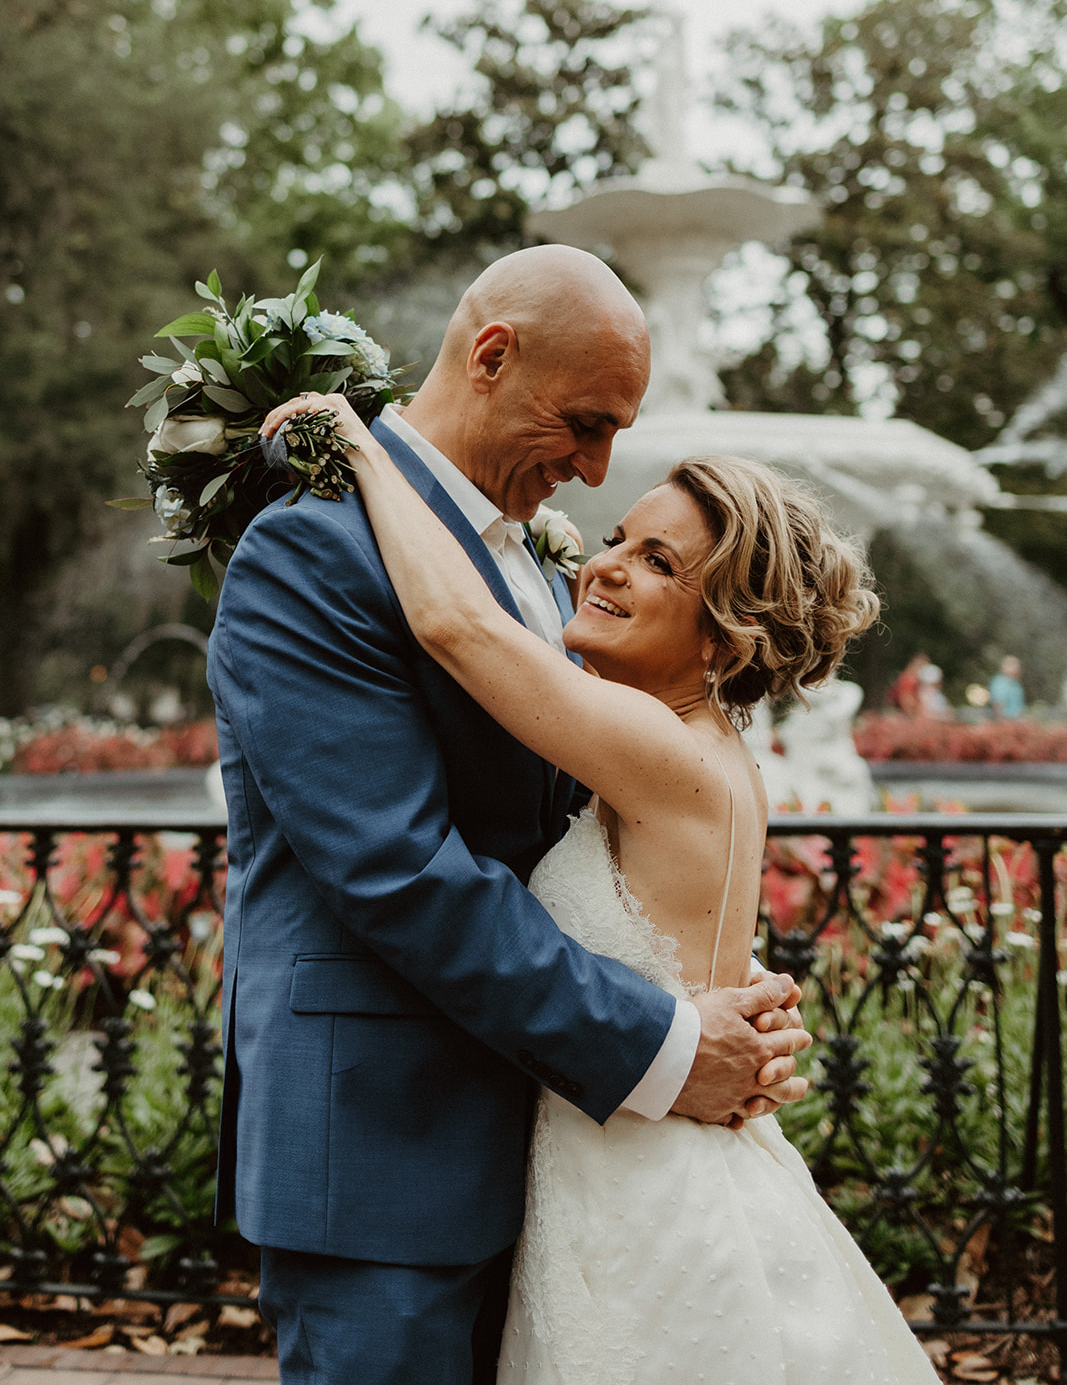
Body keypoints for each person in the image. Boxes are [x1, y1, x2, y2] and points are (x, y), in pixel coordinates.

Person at [208, 245, 810, 1385]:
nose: (591, 472)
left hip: (548, 1148)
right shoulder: (312, 552)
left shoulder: (533, 568)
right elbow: (400, 873)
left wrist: (708, 991)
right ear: (491, 356)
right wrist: (668, 1041)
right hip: (388, 1152)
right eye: (583, 423)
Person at [268, 387, 938, 1384]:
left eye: (657, 563)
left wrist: (364, 451)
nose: (603, 565)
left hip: (641, 1198)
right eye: (619, 537)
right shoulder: (701, 751)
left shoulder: (656, 747)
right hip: (638, 1160)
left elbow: (453, 624)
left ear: (722, 633)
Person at [989, 654, 1025, 719]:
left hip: (1016, 721)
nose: (1016, 667)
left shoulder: (1016, 683)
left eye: (1017, 664)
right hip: (1006, 721)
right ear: (1004, 667)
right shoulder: (1000, 682)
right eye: (1013, 664)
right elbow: (998, 704)